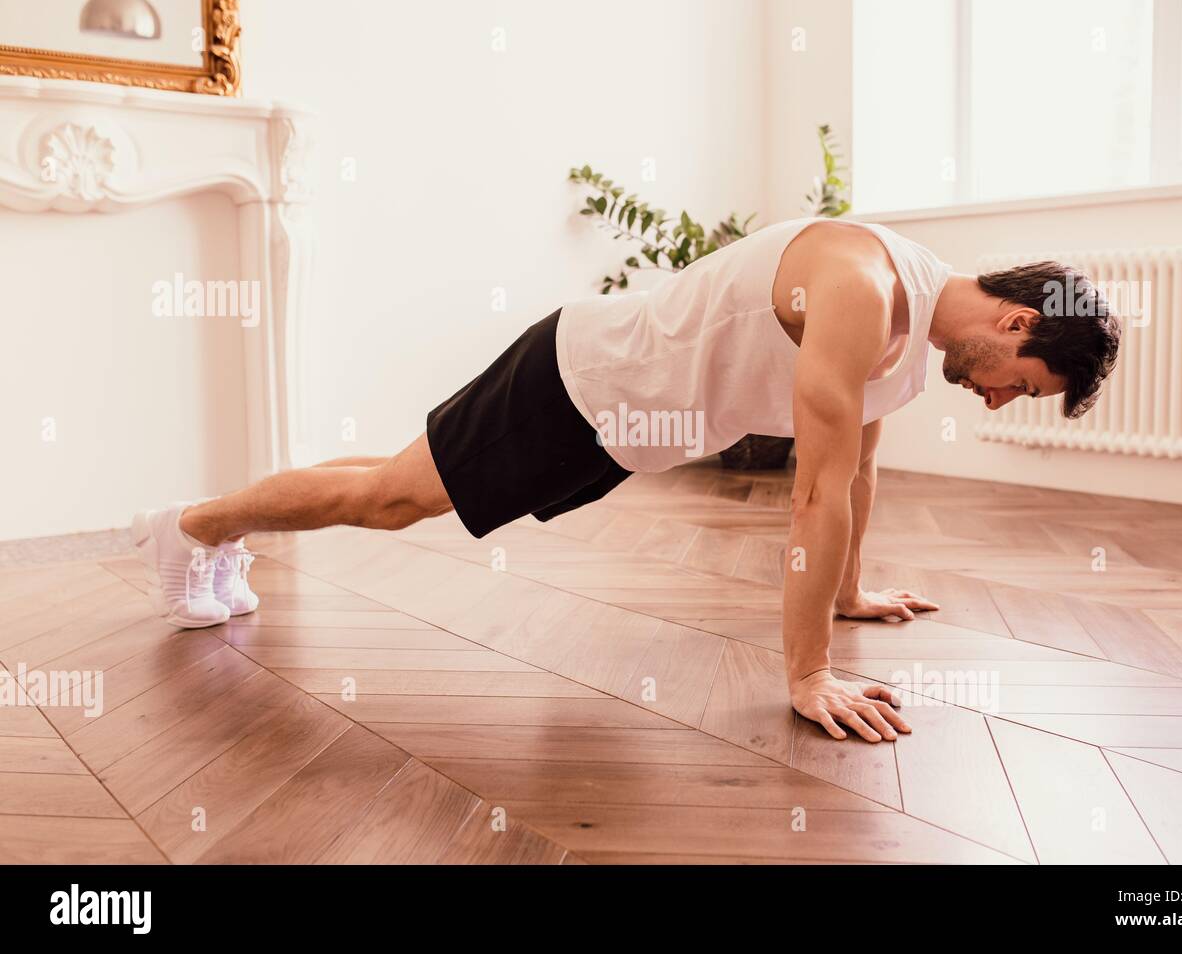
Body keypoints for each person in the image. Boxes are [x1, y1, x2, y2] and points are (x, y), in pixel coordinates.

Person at [132, 217, 1120, 741]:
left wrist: (851, 595)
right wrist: (807, 671)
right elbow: (809, 496)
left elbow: (855, 477)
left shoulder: (912, 346)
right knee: (392, 502)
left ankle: (208, 529)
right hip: (578, 382)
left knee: (390, 484)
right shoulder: (863, 285)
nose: (997, 402)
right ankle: (188, 526)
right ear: (1016, 324)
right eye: (1018, 387)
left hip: (616, 427)